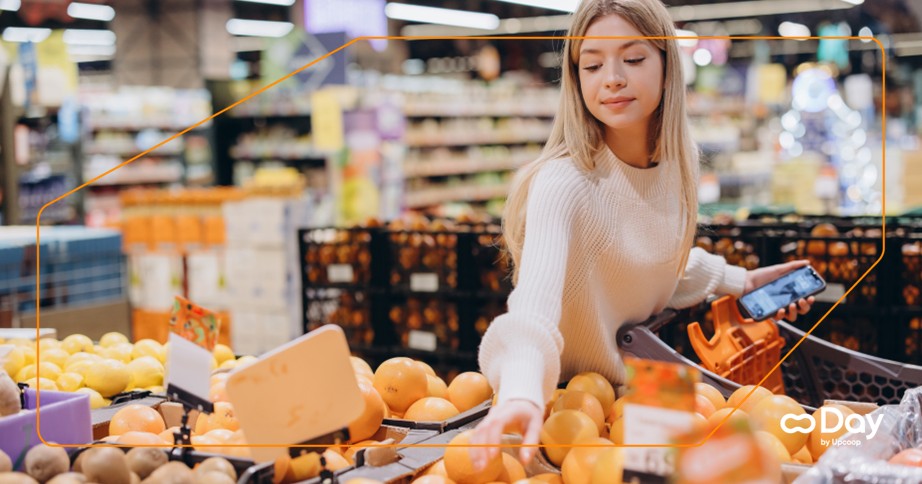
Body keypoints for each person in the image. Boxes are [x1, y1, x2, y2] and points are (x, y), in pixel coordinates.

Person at [469, 0, 816, 471]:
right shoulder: (563, 182)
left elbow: (647, 262)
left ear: (667, 67)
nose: (611, 78)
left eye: (632, 59)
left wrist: (744, 283)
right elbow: (533, 309)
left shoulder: (680, 160)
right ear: (576, 79)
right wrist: (524, 395)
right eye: (591, 65)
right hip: (565, 411)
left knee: (754, 466)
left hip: (642, 385)